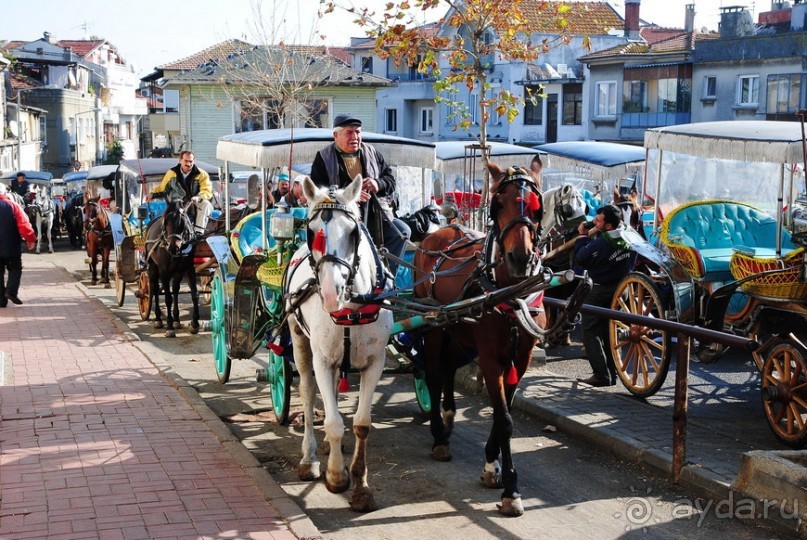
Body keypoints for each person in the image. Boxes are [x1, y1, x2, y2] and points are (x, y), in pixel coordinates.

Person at [310, 113, 410, 272]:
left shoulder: (372, 153)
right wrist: (349, 195)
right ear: (336, 135)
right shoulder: (323, 157)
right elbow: (318, 191)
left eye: (358, 132)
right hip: (342, 218)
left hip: (375, 215)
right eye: (349, 132)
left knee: (403, 231)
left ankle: (385, 275)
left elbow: (390, 180)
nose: (355, 137)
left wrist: (378, 183)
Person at [573, 204, 636, 387]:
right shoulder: (628, 234)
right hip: (621, 289)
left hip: (600, 290)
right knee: (610, 332)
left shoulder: (603, 242)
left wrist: (582, 237)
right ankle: (612, 374)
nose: (594, 222)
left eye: (598, 221)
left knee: (591, 331)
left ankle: (601, 375)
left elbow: (582, 258)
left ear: (608, 226)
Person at [151, 150, 213, 236]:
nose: (188, 164)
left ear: (194, 161)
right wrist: (152, 194)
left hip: (193, 203)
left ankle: (198, 232)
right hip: (177, 202)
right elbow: (162, 188)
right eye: (186, 161)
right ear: (180, 161)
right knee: (176, 209)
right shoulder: (171, 173)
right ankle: (169, 235)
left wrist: (198, 197)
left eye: (191, 161)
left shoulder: (202, 174)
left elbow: (207, 190)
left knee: (206, 204)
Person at [0, 182, 37, 307]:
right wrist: (31, 239)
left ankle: (1, 300)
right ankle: (11, 291)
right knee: (15, 268)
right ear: (4, 193)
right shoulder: (13, 205)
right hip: (11, 246)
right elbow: (24, 224)